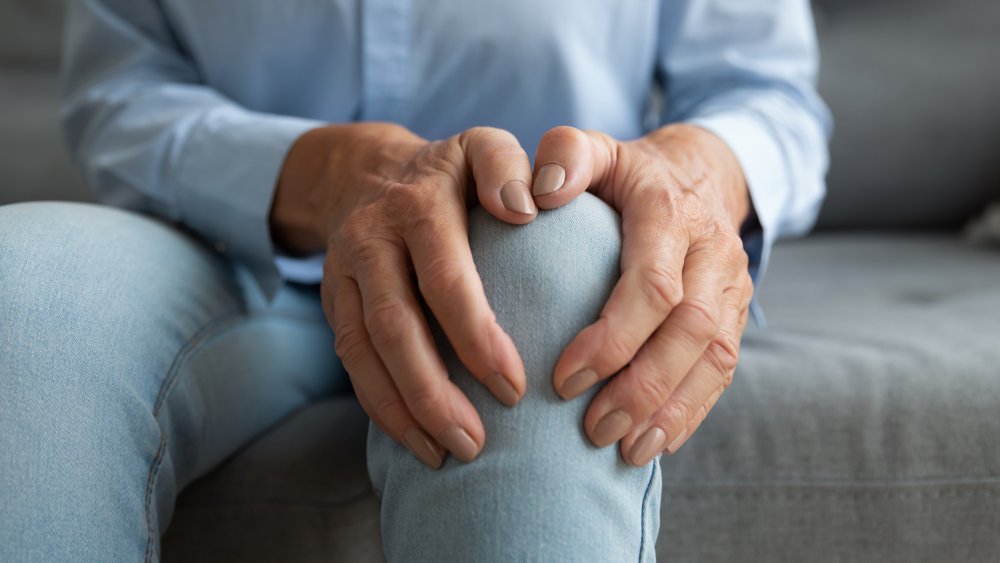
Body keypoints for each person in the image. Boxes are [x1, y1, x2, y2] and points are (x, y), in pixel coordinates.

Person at [0, 0, 829, 560]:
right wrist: (337, 175)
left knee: (545, 274)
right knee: (23, 290)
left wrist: (687, 179)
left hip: (543, 232)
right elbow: (122, 93)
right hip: (235, 245)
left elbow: (766, 97)